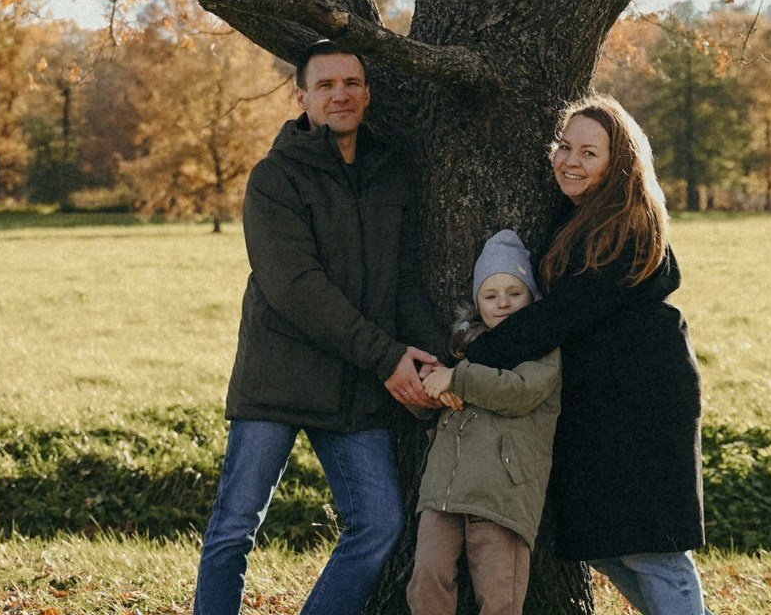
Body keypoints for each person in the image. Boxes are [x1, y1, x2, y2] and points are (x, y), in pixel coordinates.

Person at [194, 39, 444, 615]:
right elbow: (294, 288)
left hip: (353, 387)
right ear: (301, 96)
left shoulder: (391, 172)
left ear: (367, 94)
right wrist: (386, 358)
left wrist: (437, 357)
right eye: (326, 85)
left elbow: (403, 280)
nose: (340, 94)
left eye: (351, 83)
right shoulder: (275, 177)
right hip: (279, 380)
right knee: (235, 527)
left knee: (379, 525)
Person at [463, 95, 713, 615]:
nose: (570, 161)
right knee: (608, 545)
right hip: (600, 402)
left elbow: (561, 314)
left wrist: (470, 360)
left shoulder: (626, 225)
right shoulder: (577, 214)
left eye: (589, 153)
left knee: (654, 550)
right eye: (565, 146)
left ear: (617, 163)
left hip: (642, 400)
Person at [406, 228, 561, 615]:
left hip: (501, 492)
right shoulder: (462, 348)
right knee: (427, 577)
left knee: (500, 593)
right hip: (444, 489)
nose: (503, 303)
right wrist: (431, 389)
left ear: (532, 297)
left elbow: (519, 391)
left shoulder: (542, 349)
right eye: (491, 295)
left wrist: (457, 379)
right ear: (477, 302)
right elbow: (433, 404)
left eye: (515, 292)